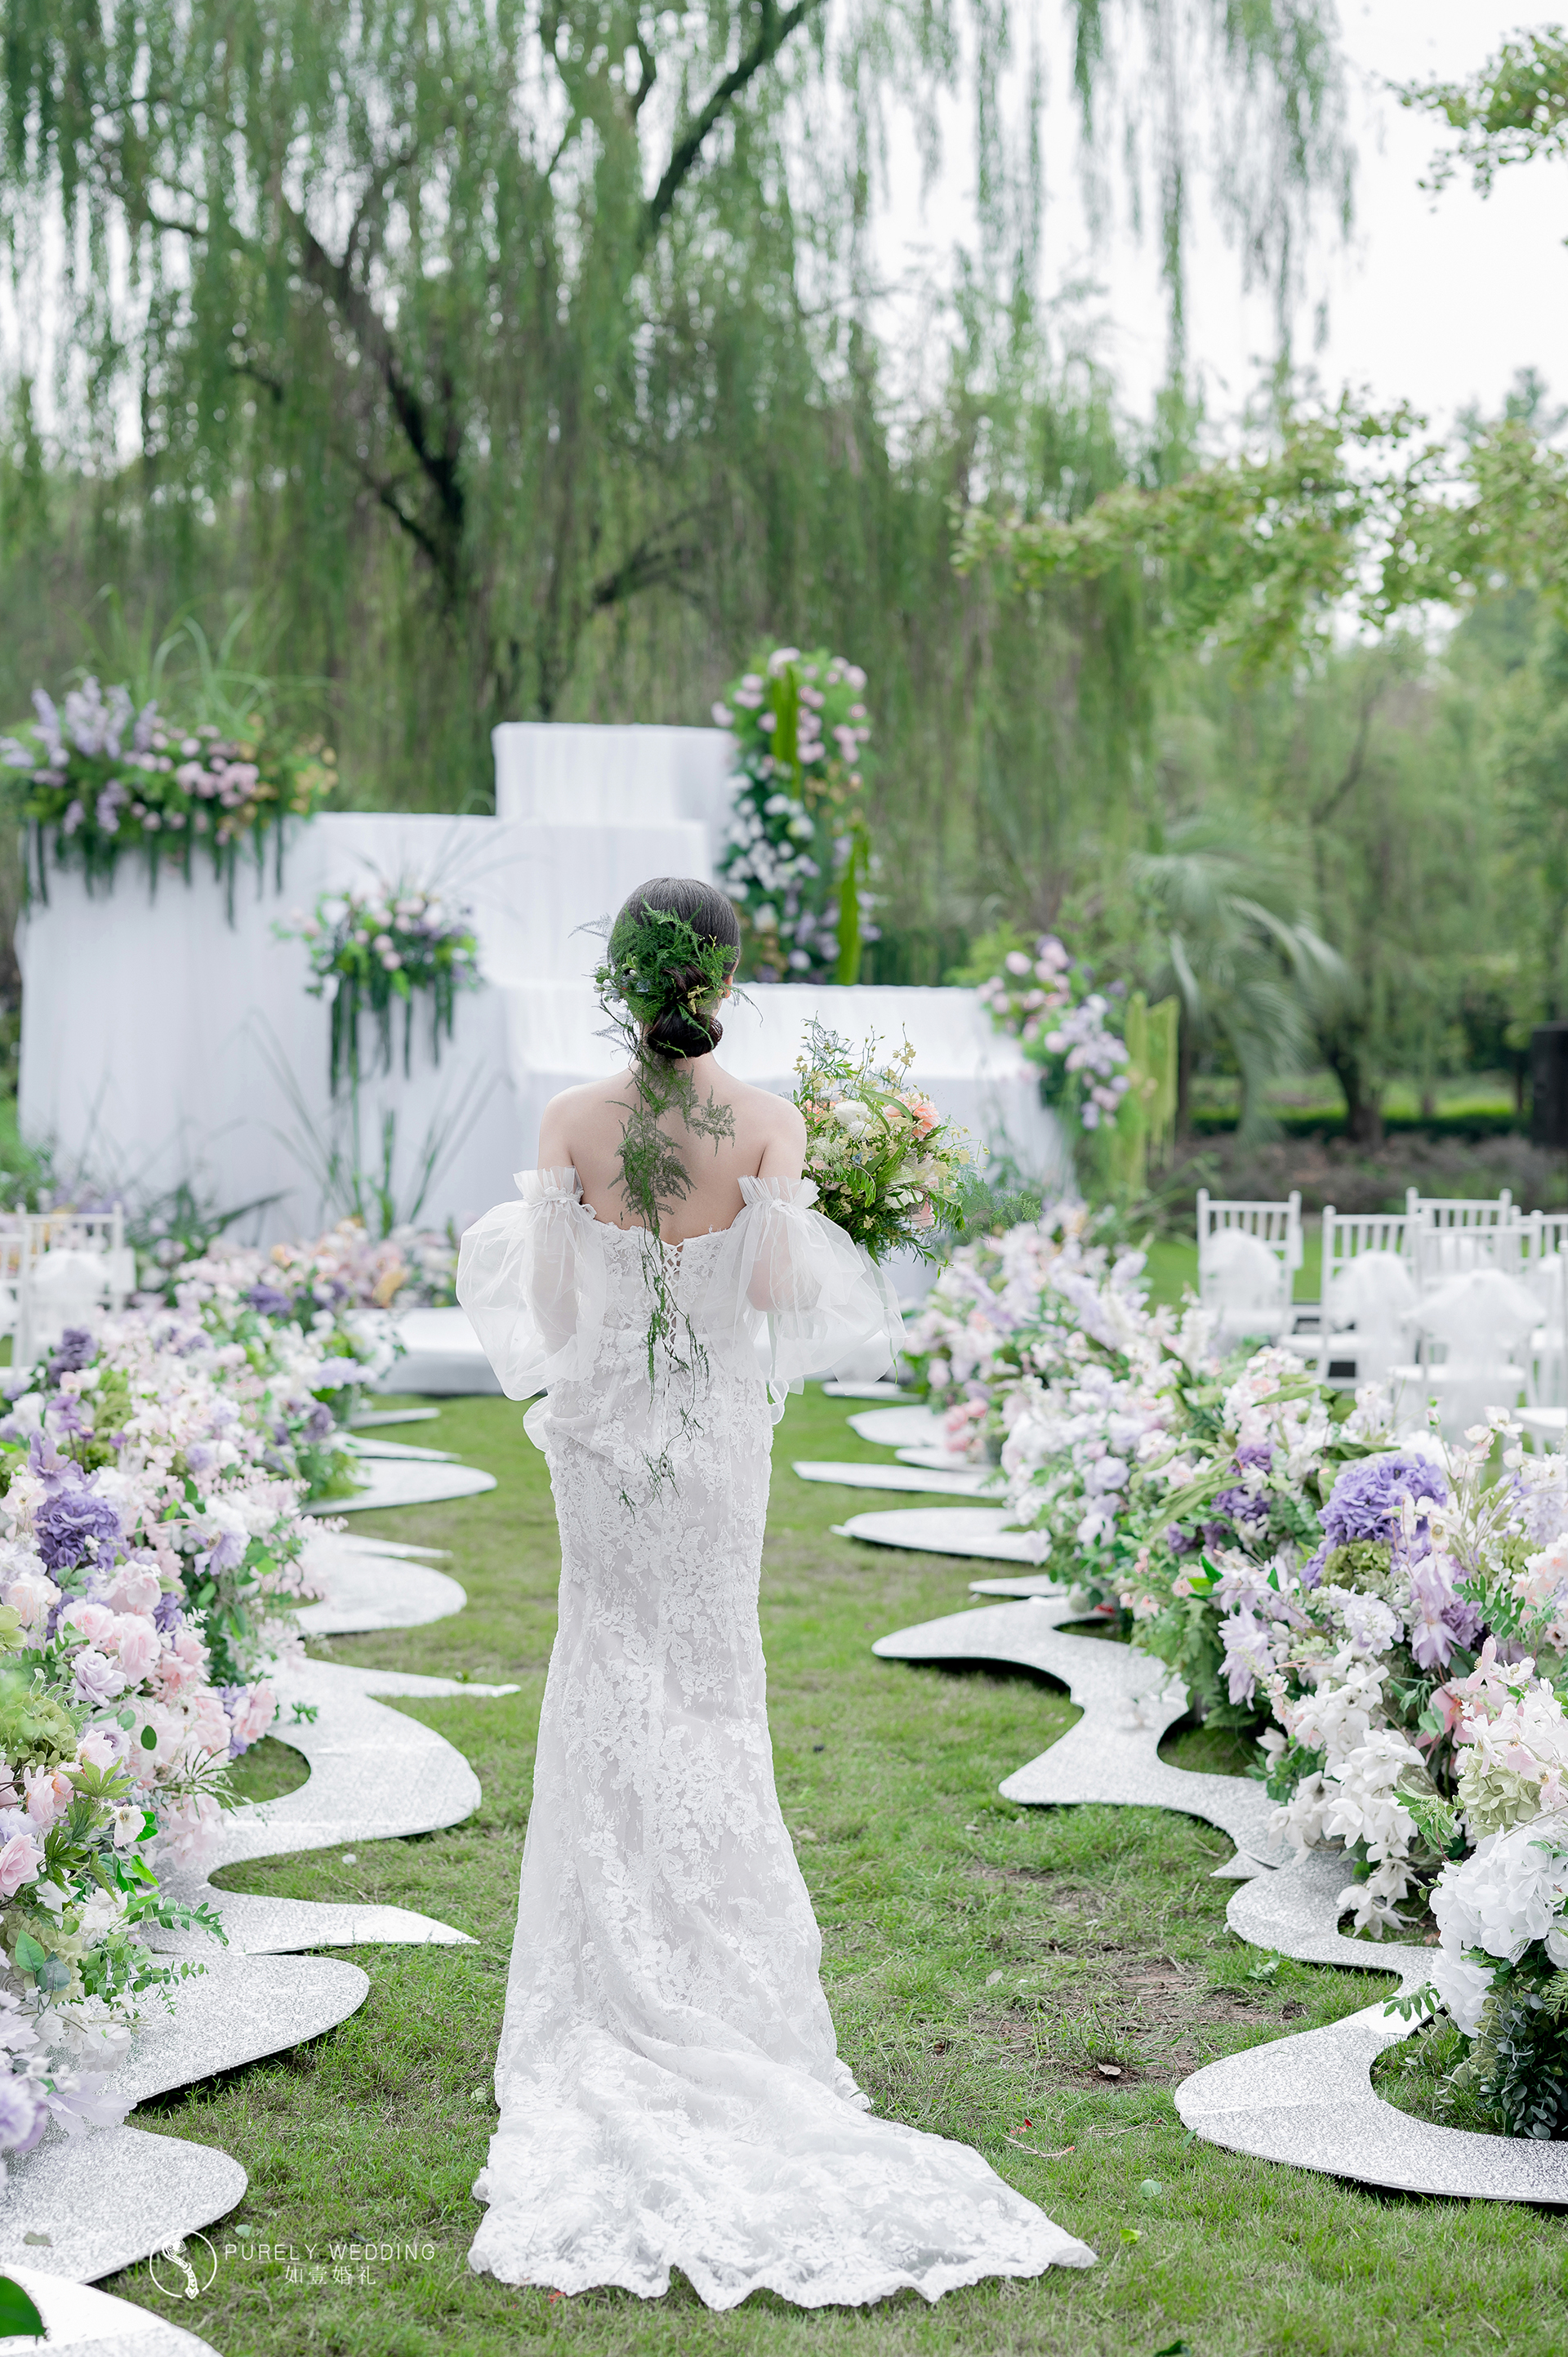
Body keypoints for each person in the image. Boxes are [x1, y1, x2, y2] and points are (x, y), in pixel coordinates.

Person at [457, 876, 1094, 2307]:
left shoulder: (569, 1123)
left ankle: (612, 1963)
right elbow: (767, 1300)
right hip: (711, 1450)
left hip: (602, 1441)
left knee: (604, 1667)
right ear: (725, 982)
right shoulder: (766, 1122)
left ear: (620, 983)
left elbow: (551, 1313)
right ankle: (714, 1962)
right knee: (708, 1682)